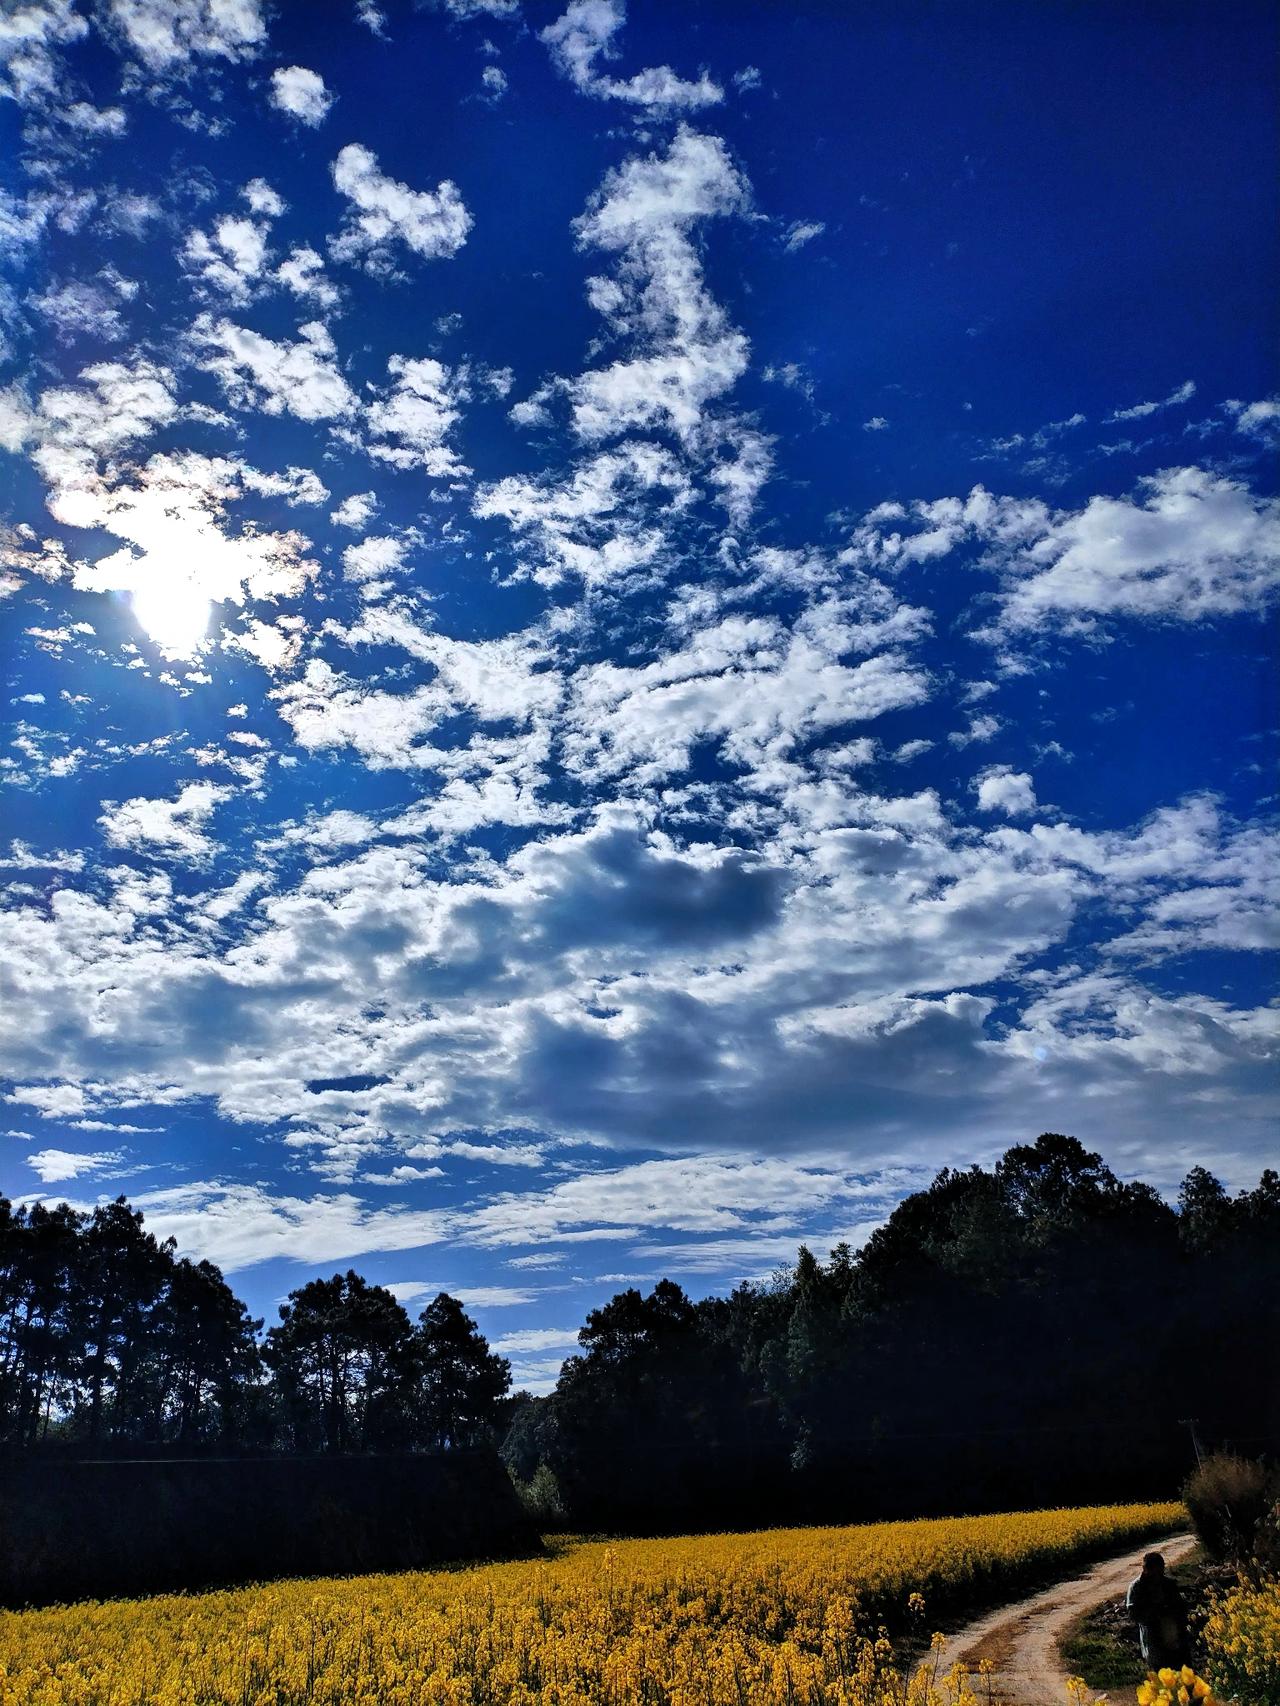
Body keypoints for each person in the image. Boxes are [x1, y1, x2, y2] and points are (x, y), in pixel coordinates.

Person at [1126, 1551, 1186, 1670]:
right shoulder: (1136, 1586)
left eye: (1160, 1569)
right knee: (1158, 1669)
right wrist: (1154, 1614)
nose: (1158, 1574)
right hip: (1151, 1636)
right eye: (1154, 1570)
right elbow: (1133, 1613)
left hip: (1172, 1635)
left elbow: (1180, 1607)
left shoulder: (1169, 1584)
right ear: (1146, 1569)